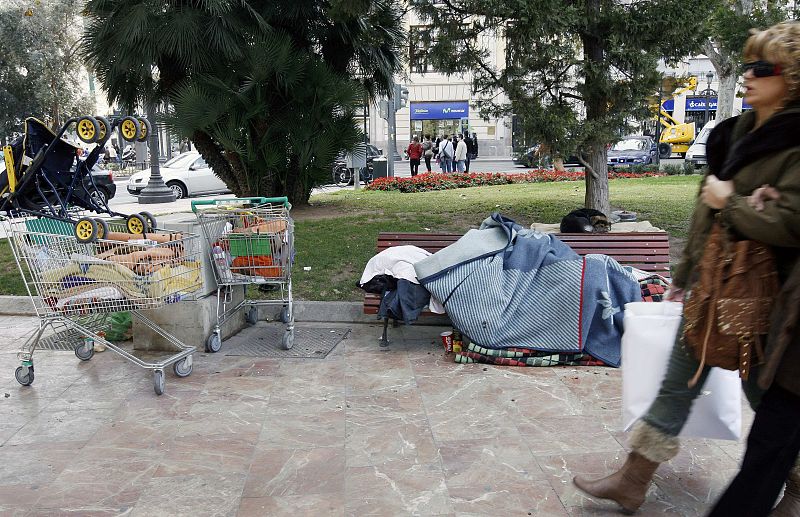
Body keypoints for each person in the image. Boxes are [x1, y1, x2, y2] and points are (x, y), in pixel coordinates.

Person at [572, 20, 800, 515]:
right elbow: (706, 214)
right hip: (717, 283)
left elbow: (791, 223)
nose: (749, 75)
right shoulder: (731, 134)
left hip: (771, 301)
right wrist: (684, 274)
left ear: (793, 79)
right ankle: (634, 478)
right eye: (746, 66)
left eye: (764, 68)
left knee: (768, 395)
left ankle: (797, 488)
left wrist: (731, 199)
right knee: (680, 375)